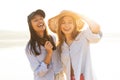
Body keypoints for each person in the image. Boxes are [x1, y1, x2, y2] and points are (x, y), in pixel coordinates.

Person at [48, 10, 102, 80]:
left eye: (70, 22)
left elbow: (96, 28)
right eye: (63, 23)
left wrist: (80, 15)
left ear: (74, 24)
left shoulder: (83, 36)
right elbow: (57, 68)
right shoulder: (60, 46)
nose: (66, 25)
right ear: (59, 25)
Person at [25, 9, 64, 80]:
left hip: (59, 77)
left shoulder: (53, 38)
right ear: (31, 26)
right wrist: (49, 54)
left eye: (41, 19)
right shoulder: (30, 48)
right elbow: (39, 73)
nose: (40, 21)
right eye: (35, 20)